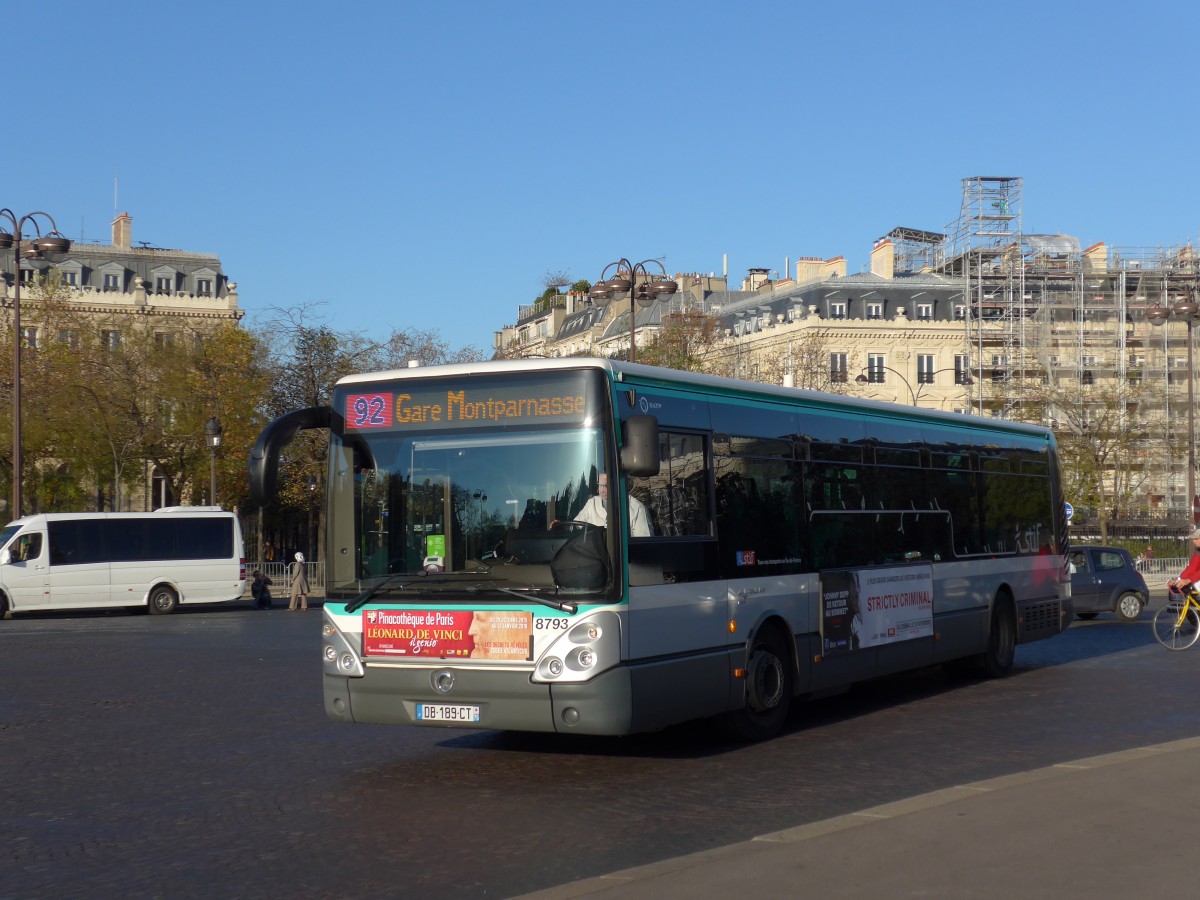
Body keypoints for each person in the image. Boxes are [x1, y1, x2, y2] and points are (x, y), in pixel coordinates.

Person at [556, 472, 652, 537]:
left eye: (606, 486)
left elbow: (643, 547)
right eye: (600, 485)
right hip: (593, 556)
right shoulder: (592, 504)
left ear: (617, 484)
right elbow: (576, 526)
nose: (601, 490)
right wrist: (560, 526)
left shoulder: (637, 509)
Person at [1168, 527, 1200, 595]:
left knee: (1196, 586)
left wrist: (1188, 580)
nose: (1193, 541)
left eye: (1196, 539)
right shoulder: (1198, 551)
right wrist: (1179, 579)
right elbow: (1192, 568)